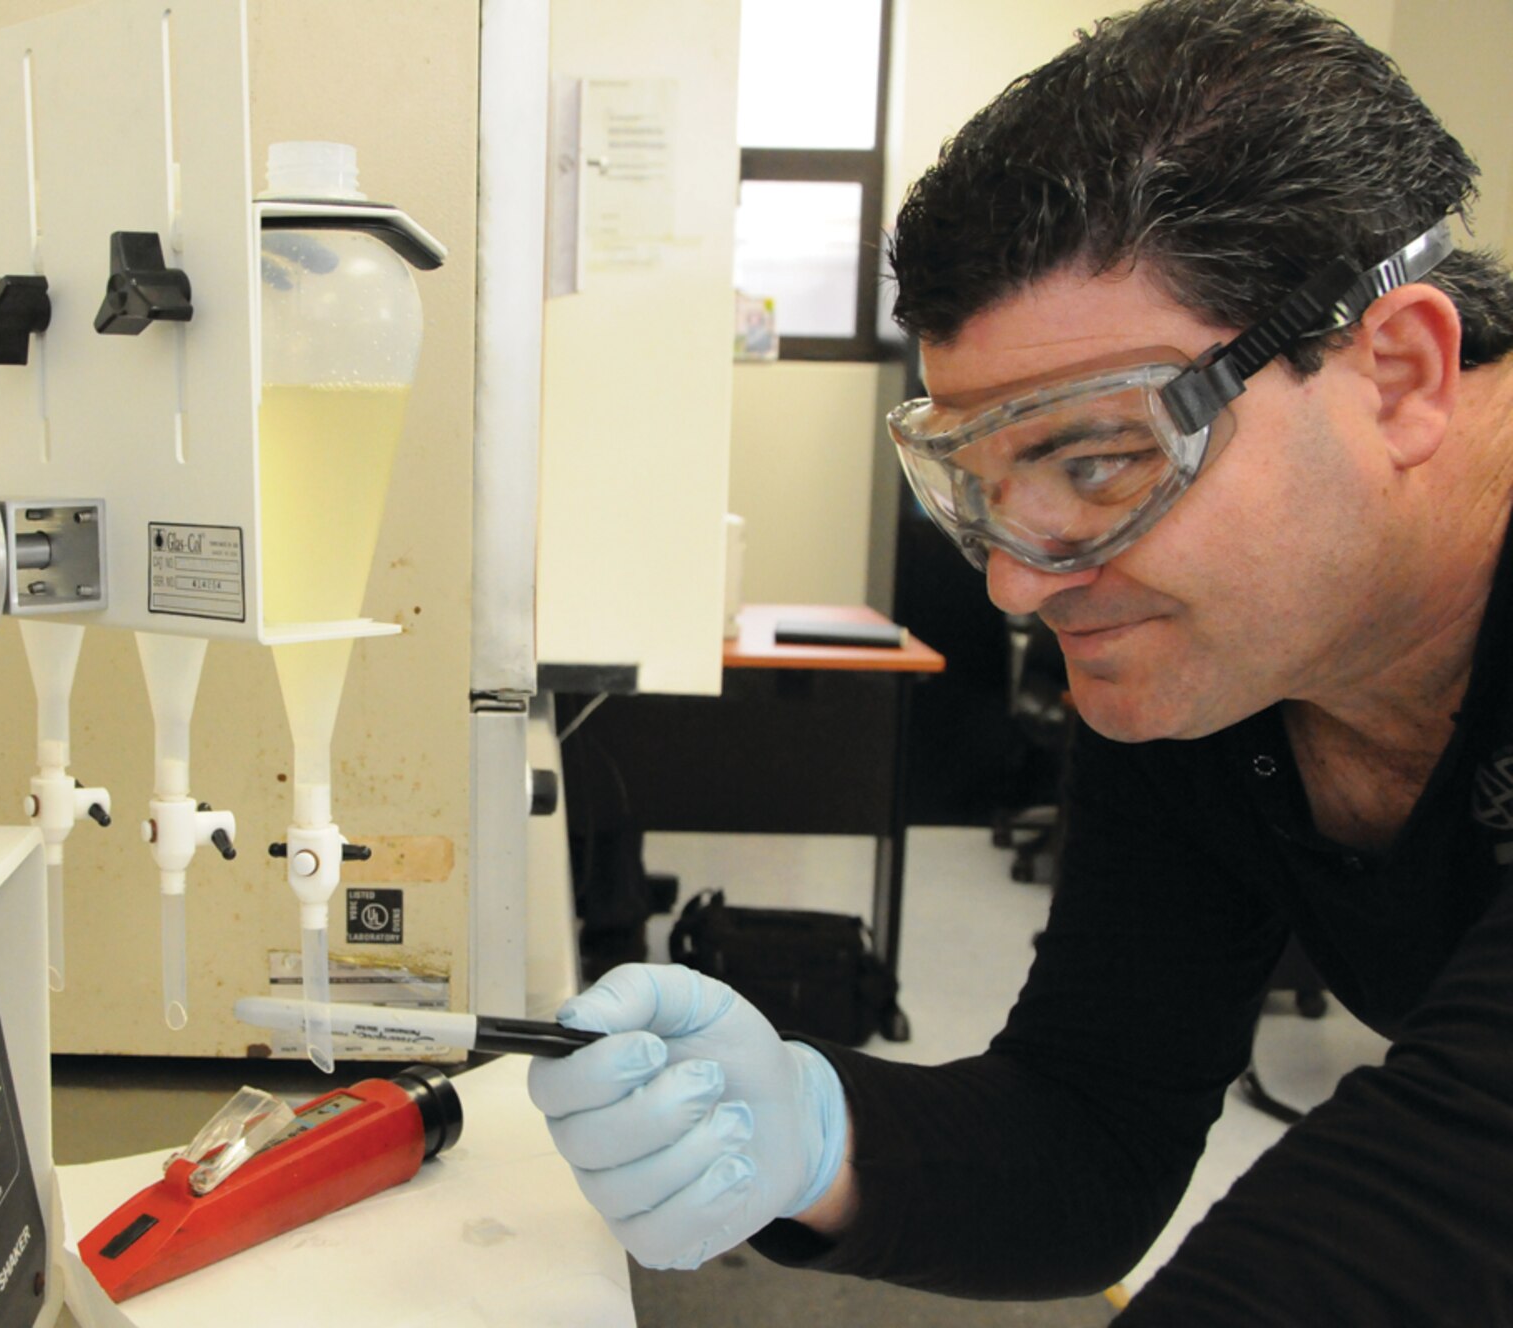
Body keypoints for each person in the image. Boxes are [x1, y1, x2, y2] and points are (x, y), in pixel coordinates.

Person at [525, 1, 1513, 1322]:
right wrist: (819, 1141)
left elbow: (1438, 1206)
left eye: (1099, 461)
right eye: (977, 488)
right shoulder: (1216, 668)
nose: (1018, 580)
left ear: (1399, 376)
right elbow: (1093, 1125)